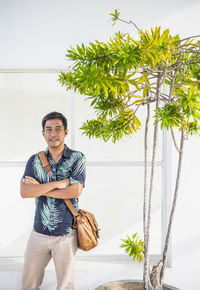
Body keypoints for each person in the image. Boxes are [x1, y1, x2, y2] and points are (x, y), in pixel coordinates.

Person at [20, 111, 86, 290]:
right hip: (39, 233)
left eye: (58, 129)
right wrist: (59, 184)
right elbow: (25, 192)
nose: (53, 133)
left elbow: (76, 191)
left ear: (66, 132)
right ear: (43, 133)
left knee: (65, 286)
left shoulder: (77, 158)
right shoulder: (34, 161)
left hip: (66, 234)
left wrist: (41, 189)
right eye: (48, 129)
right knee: (28, 284)